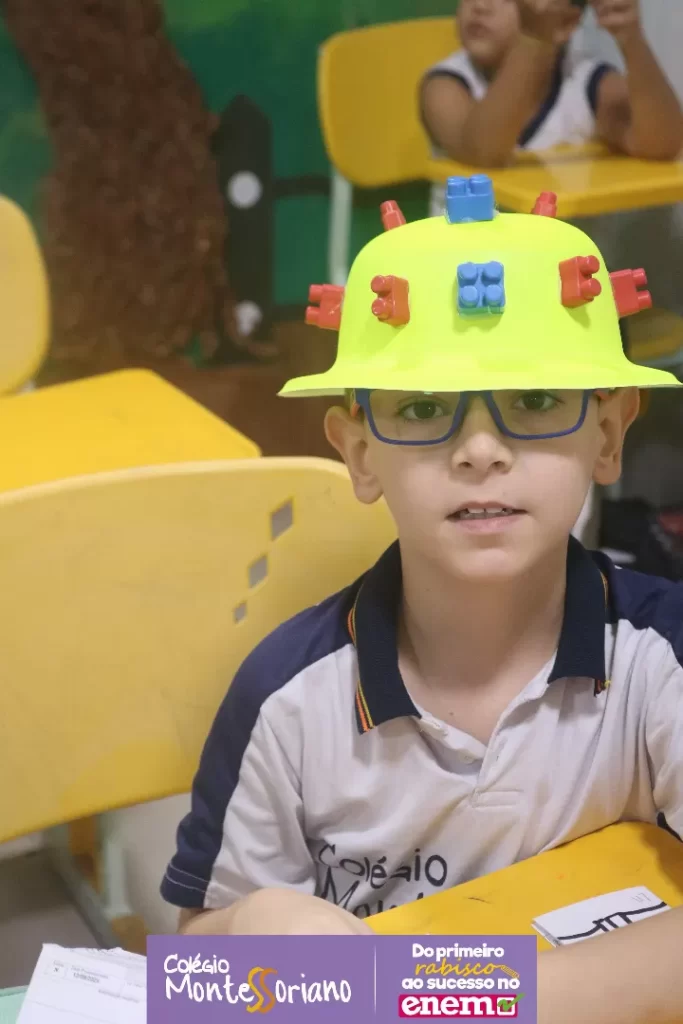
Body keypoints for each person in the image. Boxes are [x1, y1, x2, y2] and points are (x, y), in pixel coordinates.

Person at [162, 180, 683, 1023]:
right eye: (422, 408)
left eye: (534, 400)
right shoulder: (284, 698)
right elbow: (195, 973)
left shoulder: (663, 658)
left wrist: (456, 998)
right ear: (359, 454)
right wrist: (253, 924)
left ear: (609, 432)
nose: (479, 450)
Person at [421, 0, 683, 214]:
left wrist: (630, 38)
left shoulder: (584, 80)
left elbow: (663, 145)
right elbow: (484, 153)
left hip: (563, 258)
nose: (480, 5)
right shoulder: (444, 84)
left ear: (567, 21)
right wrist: (534, 37)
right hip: (467, 258)